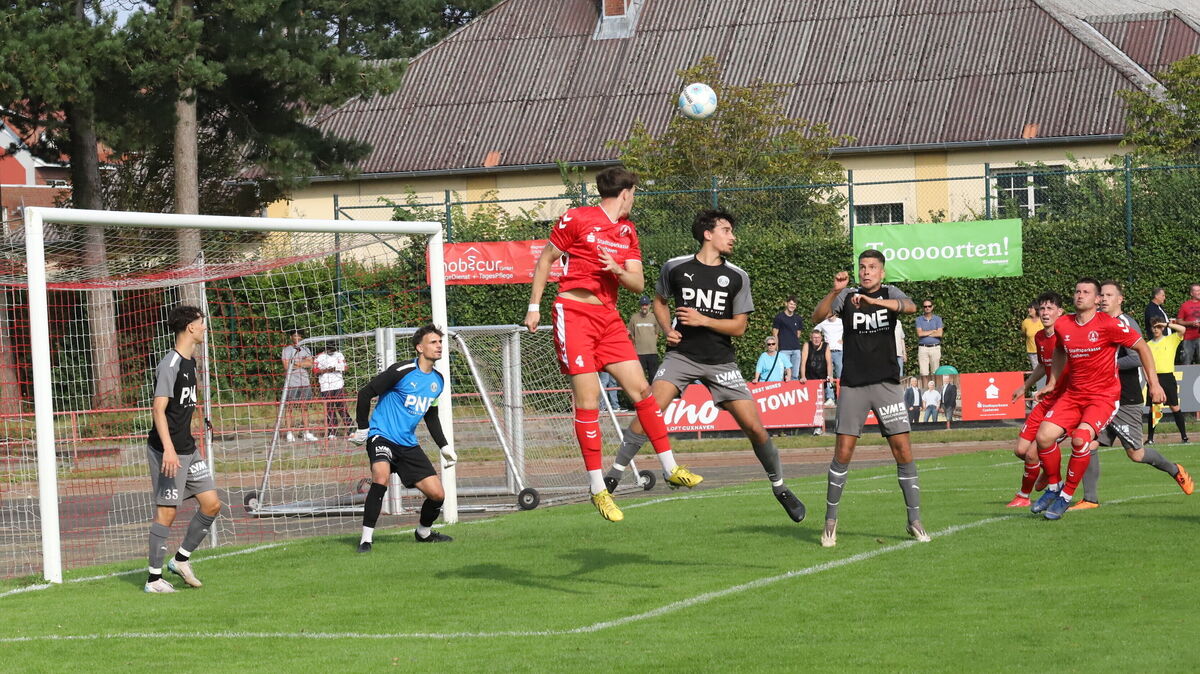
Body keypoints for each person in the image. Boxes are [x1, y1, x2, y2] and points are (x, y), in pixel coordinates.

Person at [523, 166, 701, 523]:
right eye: (634, 193)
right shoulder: (577, 218)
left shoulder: (627, 231)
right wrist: (534, 306)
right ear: (626, 192)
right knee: (588, 400)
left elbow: (638, 283)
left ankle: (670, 467)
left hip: (608, 318)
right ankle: (597, 489)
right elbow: (545, 260)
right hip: (574, 313)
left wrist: (616, 270)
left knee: (642, 391)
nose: (634, 199)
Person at [604, 210, 806, 522]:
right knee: (649, 410)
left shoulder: (738, 276)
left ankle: (780, 487)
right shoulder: (675, 267)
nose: (733, 237)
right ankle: (613, 477)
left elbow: (739, 327)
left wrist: (703, 320)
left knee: (754, 427)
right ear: (707, 234)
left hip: (722, 362)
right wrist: (666, 329)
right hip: (681, 357)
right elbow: (659, 302)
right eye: (726, 230)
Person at [809, 250, 929, 547]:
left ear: (882, 272)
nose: (866, 272)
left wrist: (876, 302)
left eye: (872, 267)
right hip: (854, 385)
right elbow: (817, 317)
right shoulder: (847, 296)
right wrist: (834, 291)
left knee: (903, 451)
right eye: (862, 267)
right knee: (843, 452)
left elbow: (910, 306)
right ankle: (830, 522)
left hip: (886, 384)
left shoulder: (890, 293)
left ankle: (914, 520)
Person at [1029, 278, 1166, 520]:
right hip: (1073, 394)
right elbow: (1059, 350)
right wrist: (1052, 382)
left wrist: (1154, 384)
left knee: (1081, 439)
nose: (1080, 295)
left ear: (1097, 299)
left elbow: (1142, 348)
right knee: (1043, 437)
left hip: (1103, 396)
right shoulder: (1064, 324)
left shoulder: (1110, 324)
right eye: (1077, 291)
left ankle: (1066, 496)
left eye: (1086, 292)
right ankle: (1054, 487)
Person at [1070, 281, 1193, 510]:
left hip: (1126, 398)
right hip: (1102, 398)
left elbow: (1136, 357)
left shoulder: (1125, 323)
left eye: (1109, 295)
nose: (1104, 299)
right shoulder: (1096, 323)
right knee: (1087, 442)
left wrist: (1106, 364)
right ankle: (1090, 499)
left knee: (1136, 454)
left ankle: (1174, 470)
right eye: (1101, 295)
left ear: (1120, 299)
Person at [349, 325, 457, 551]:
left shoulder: (438, 381)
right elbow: (365, 393)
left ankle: (423, 533)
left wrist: (444, 446)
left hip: (407, 443)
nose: (439, 346)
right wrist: (363, 428)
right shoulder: (402, 370)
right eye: (433, 342)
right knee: (381, 477)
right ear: (420, 347)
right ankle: (366, 540)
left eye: (440, 342)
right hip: (382, 435)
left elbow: (431, 416)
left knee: (437, 494)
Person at [143, 305, 222, 593]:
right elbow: (158, 409)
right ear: (190, 327)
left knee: (212, 504)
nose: (204, 328)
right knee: (167, 513)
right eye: (201, 323)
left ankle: (180, 560)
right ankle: (153, 580)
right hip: (167, 451)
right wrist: (168, 449)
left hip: (188, 448)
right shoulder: (170, 363)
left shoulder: (191, 362)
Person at [1006, 291, 1064, 508]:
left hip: (1065, 403)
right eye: (1042, 309)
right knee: (1021, 450)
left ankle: (1023, 496)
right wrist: (1025, 386)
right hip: (1047, 400)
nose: (1045, 312)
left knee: (1032, 453)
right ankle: (1049, 471)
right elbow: (1042, 365)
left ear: (1060, 312)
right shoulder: (1040, 337)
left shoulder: (1066, 337)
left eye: (1050, 308)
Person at [1146, 317, 1191, 445]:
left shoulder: (1171, 339)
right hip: (1154, 378)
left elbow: (1183, 329)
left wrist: (1165, 324)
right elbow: (1145, 364)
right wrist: (1149, 380)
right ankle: (1150, 438)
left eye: (1158, 327)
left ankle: (1184, 437)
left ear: (1162, 328)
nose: (1156, 329)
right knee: (1154, 409)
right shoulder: (1148, 345)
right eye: (1154, 327)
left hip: (1168, 377)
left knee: (1174, 407)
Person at [281, 329, 318, 442]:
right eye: (295, 336)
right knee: (289, 407)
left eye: (299, 336)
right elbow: (286, 366)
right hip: (291, 382)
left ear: (301, 338)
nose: (297, 338)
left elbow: (310, 363)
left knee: (305, 407)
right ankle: (289, 433)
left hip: (305, 382)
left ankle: (306, 432)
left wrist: (296, 363)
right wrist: (302, 363)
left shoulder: (306, 349)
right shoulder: (287, 350)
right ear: (291, 337)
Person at [314, 342, 354, 438]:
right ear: (326, 348)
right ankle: (332, 432)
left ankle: (351, 430)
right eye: (330, 349)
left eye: (333, 349)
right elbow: (315, 371)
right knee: (329, 410)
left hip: (338, 385)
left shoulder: (339, 355)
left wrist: (335, 368)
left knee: (342, 408)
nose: (332, 351)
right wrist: (326, 370)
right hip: (325, 387)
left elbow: (346, 367)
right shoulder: (319, 357)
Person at [799, 329, 833, 435]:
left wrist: (830, 376)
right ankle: (813, 425)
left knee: (822, 402)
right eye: (814, 338)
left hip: (822, 378)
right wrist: (803, 376)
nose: (816, 340)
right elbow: (803, 362)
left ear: (821, 338)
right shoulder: (807, 345)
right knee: (812, 404)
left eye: (818, 337)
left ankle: (820, 426)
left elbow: (829, 363)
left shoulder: (826, 346)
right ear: (811, 338)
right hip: (810, 378)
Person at [627, 295, 662, 381]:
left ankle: (653, 391)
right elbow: (630, 334)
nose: (644, 307)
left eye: (646, 305)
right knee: (639, 379)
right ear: (640, 306)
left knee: (653, 378)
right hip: (639, 353)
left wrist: (651, 343)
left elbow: (657, 333)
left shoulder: (654, 317)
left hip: (652, 353)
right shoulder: (634, 318)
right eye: (643, 305)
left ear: (649, 305)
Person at [772, 296, 805, 381]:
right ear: (786, 304)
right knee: (784, 375)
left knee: (795, 375)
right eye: (791, 304)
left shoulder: (798, 318)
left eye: (794, 304)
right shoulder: (779, 317)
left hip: (796, 350)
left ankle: (794, 389)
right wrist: (777, 347)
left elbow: (798, 334)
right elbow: (775, 333)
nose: (792, 306)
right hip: (784, 350)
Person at [817, 312, 844, 405]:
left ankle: (842, 397)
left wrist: (845, 340)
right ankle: (830, 398)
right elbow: (815, 331)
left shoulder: (841, 322)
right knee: (829, 376)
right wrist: (821, 343)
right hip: (827, 352)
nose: (830, 316)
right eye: (828, 314)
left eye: (831, 314)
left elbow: (851, 330)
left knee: (841, 376)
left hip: (839, 352)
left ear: (835, 314)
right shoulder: (824, 323)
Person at [915, 299, 943, 383]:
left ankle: (936, 388)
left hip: (935, 348)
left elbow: (940, 333)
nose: (927, 308)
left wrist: (925, 333)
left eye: (929, 306)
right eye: (925, 306)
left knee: (935, 372)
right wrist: (933, 331)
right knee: (923, 373)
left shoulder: (938, 319)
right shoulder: (919, 319)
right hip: (923, 348)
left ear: (932, 307)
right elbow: (919, 334)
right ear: (923, 308)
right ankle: (925, 388)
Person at [1176, 283, 1200, 365]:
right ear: (1191, 293)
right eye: (1197, 291)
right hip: (1188, 338)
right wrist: (1190, 323)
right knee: (1186, 361)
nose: (1199, 292)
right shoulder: (1185, 305)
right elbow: (1179, 321)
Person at [1021, 302, 1041, 372]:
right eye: (1028, 308)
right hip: (1032, 352)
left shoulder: (1043, 320)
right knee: (1037, 371)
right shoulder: (1025, 322)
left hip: (1043, 351)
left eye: (1031, 308)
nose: (1028, 310)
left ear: (1036, 309)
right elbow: (1023, 334)